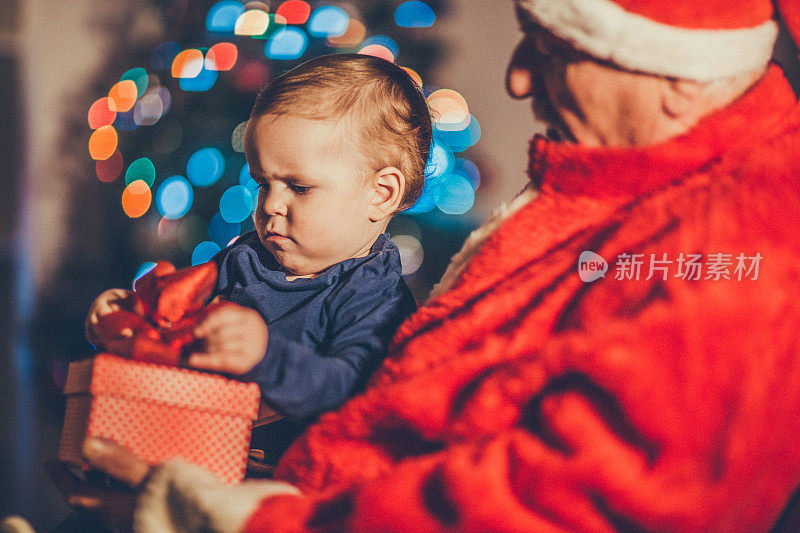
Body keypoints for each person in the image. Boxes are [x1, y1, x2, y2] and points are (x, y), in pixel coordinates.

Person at [58, 0, 800, 531]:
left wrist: (213, 511)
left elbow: (555, 504)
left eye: (552, 44)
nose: (516, 80)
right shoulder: (627, 196)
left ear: (678, 75)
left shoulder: (741, 260)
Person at [84, 53, 427, 464]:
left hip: (292, 483)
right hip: (193, 448)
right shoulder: (247, 256)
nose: (271, 205)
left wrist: (264, 356)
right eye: (264, 184)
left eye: (298, 187)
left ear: (382, 193)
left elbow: (349, 391)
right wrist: (131, 310)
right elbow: (174, 304)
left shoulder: (377, 296)